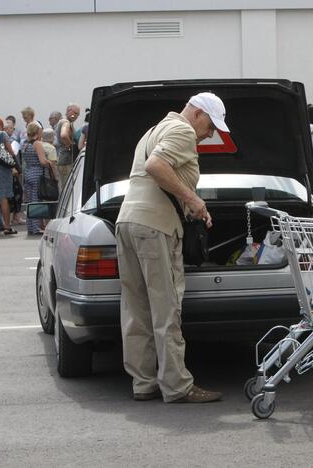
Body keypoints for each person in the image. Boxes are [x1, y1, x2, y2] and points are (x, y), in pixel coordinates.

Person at [115, 92, 226, 404]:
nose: (210, 134)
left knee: (136, 308)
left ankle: (143, 382)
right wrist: (192, 199)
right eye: (212, 126)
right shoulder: (183, 130)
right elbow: (156, 166)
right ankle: (177, 386)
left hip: (128, 222)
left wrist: (189, 204)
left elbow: (154, 173)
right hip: (155, 227)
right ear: (198, 114)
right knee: (166, 308)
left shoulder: (153, 130)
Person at [21, 122, 52, 235]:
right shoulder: (37, 144)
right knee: (36, 201)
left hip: (28, 173)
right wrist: (50, 163)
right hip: (37, 174)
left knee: (30, 201)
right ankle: (36, 228)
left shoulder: (25, 144)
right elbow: (42, 161)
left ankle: (30, 226)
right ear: (37, 132)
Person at [55, 103, 81, 190]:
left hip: (63, 160)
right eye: (75, 113)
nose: (76, 116)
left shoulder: (64, 122)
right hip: (66, 161)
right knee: (67, 189)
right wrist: (71, 146)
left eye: (78, 114)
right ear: (69, 111)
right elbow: (63, 135)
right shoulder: (66, 122)